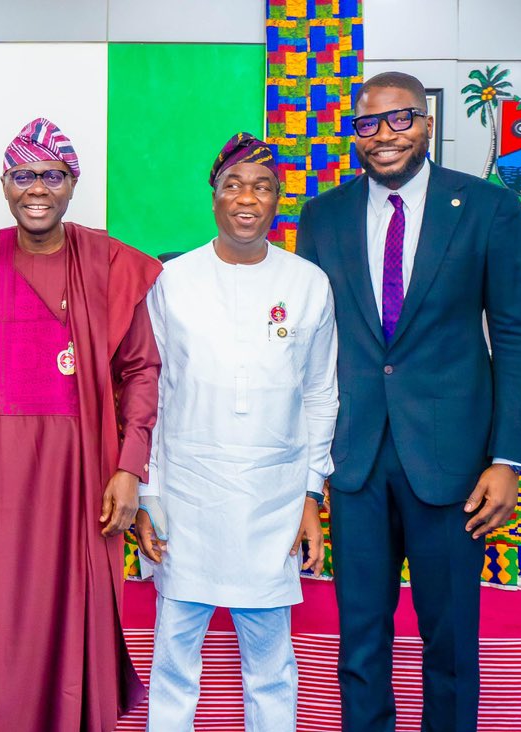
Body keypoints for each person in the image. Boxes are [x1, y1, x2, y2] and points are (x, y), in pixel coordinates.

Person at [295, 71, 521, 732]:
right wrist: (311, 473)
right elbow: (313, 345)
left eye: (398, 119)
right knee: (361, 644)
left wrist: (508, 459)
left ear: (425, 122)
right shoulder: (322, 215)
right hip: (357, 461)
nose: (383, 136)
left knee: (451, 640)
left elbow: (515, 336)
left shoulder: (489, 209)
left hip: (455, 463)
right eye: (367, 124)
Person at [0, 118, 162, 731]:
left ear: (72, 182)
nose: (37, 189)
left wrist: (129, 468)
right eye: (23, 176)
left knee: (71, 606)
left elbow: (140, 372)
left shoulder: (110, 261)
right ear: (4, 184)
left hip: (81, 472)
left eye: (52, 176)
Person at [134, 132, 337, 732]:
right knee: (173, 661)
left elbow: (322, 394)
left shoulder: (308, 283)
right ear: (213, 196)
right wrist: (149, 498)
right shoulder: (172, 280)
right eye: (233, 185)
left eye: (262, 187)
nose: (247, 198)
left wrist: (311, 494)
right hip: (188, 498)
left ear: (279, 200)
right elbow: (152, 396)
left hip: (272, 502)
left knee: (272, 667)